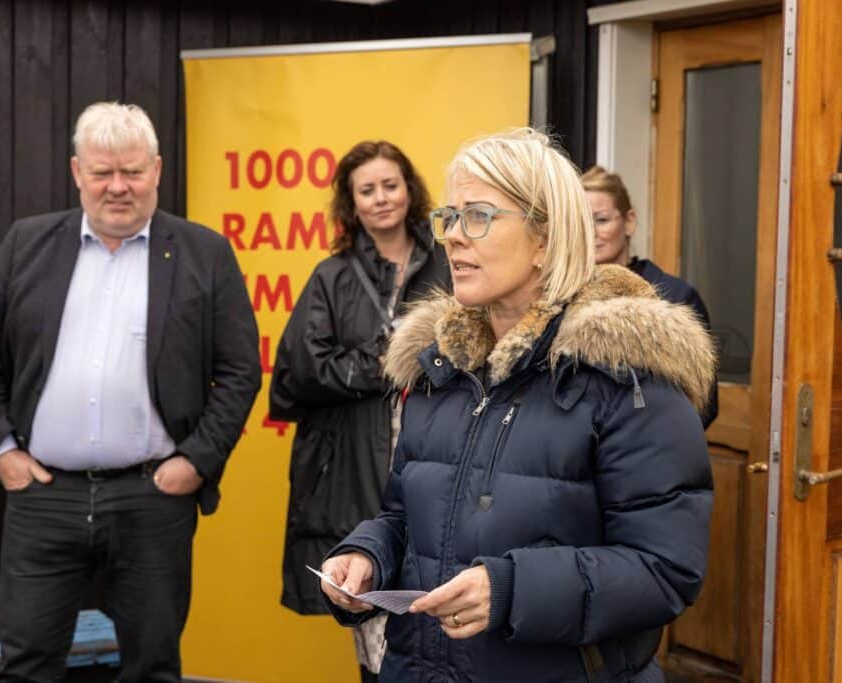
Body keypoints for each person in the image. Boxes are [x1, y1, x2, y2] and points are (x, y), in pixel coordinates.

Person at [320, 129, 715, 682]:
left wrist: (510, 590)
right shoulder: (441, 370)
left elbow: (664, 570)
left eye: (478, 216)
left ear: (545, 240)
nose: (454, 237)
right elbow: (405, 518)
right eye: (449, 218)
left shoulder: (627, 378)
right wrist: (369, 556)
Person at [0, 102, 261, 682]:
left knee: (152, 667)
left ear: (157, 170)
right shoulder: (26, 244)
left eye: (132, 171)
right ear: (77, 172)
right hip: (43, 497)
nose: (117, 187)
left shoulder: (204, 253)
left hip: (152, 499)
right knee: (26, 666)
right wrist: (2, 451)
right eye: (102, 172)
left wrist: (197, 461)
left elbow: (240, 369)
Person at [271, 140, 450, 682]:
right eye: (366, 190)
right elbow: (299, 372)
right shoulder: (332, 276)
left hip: (437, 451)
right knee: (370, 603)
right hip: (354, 462)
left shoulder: (448, 264)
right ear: (351, 204)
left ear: (409, 190)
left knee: (440, 596)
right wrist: (390, 362)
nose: (381, 198)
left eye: (390, 185)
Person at [581, 165, 719, 428]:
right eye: (580, 222)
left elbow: (705, 403)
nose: (591, 232)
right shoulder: (565, 295)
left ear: (629, 221)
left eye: (601, 219)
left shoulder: (675, 297)